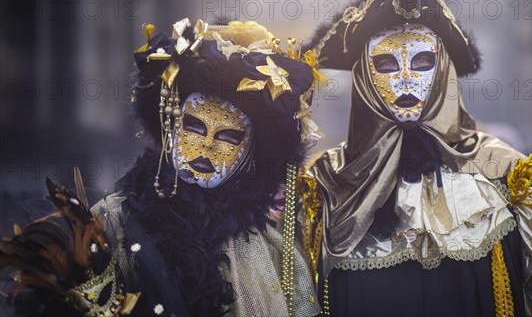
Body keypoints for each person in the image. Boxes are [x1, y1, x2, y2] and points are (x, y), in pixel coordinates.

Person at [299, 0, 532, 317]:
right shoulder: (324, 181)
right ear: (364, 78)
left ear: (443, 72)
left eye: (423, 62)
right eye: (385, 64)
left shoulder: (499, 170)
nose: (406, 80)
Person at [1, 19, 323, 316]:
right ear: (171, 128)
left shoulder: (274, 246)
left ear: (250, 153)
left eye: (227, 136)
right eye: (194, 127)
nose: (207, 144)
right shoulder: (112, 222)